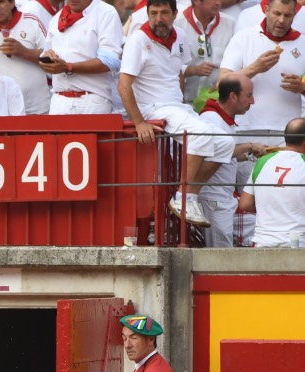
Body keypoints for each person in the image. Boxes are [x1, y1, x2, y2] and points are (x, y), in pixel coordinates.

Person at [118, 0, 235, 228]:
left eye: (163, 13)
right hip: (153, 108)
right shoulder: (137, 40)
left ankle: (187, 196)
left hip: (176, 106)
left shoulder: (179, 35)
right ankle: (183, 198)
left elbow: (178, 73)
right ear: (147, 14)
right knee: (200, 134)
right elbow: (123, 86)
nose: (158, 18)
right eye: (153, 13)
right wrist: (139, 122)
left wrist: (182, 102)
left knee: (225, 143)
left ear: (174, 14)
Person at [219, 0, 305, 145]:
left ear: (294, 15)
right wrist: (255, 68)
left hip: (288, 133)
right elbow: (222, 82)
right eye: (277, 13)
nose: (281, 20)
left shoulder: (302, 42)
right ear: (266, 10)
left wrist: (302, 88)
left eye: (287, 15)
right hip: (247, 127)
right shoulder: (244, 37)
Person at [197, 74, 266, 247]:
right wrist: (249, 146)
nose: (253, 102)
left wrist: (251, 153)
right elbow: (215, 154)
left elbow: (226, 154)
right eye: (249, 96)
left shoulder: (221, 119)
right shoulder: (211, 120)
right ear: (233, 96)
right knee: (220, 252)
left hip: (223, 197)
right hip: (214, 198)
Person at [39, 0, 122, 115]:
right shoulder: (56, 18)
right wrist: (47, 59)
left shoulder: (106, 12)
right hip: (59, 100)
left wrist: (68, 67)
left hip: (92, 100)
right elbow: (45, 54)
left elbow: (110, 62)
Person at [0, 0, 49, 114]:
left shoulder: (32, 21)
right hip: (0, 109)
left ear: (12, 3)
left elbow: (51, 57)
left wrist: (24, 52)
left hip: (35, 107)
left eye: (1, 2)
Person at [239, 117, 305, 247]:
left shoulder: (262, 161)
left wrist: (272, 207)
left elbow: (244, 204)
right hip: (299, 243)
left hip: (263, 242)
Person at [175, 0, 235, 108]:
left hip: (218, 105)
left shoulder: (230, 24)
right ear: (197, 1)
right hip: (186, 104)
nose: (218, 3)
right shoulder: (177, 24)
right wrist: (192, 70)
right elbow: (165, 64)